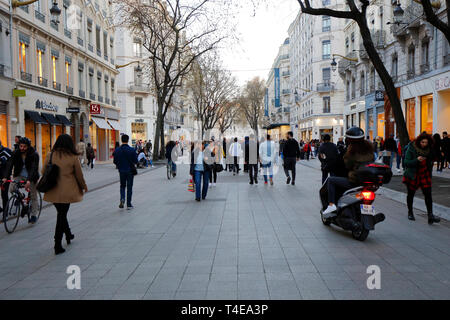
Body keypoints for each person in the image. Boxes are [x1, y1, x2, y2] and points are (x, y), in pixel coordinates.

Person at [41, 134, 88, 255]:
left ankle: (68, 234)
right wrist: (84, 186)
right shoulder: (73, 157)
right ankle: (57, 244)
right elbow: (79, 175)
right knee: (61, 215)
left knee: (61, 213)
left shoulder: (50, 155)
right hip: (68, 191)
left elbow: (43, 171)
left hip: (53, 190)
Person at [323, 127, 374, 216]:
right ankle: (367, 212)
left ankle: (331, 205)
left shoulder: (351, 151)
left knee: (331, 180)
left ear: (350, 140)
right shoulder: (369, 149)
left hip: (355, 181)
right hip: (367, 181)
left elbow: (347, 165)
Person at [403, 132, 440, 224]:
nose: (424, 144)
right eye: (422, 142)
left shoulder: (429, 149)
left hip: (424, 174)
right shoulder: (412, 148)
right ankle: (410, 212)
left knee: (428, 195)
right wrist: (416, 160)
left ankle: (430, 215)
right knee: (411, 194)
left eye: (426, 142)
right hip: (413, 174)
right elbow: (406, 162)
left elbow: (434, 158)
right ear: (419, 141)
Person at [3, 137, 40, 223]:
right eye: (21, 146)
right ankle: (21, 197)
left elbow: (34, 168)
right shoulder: (16, 152)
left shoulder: (34, 154)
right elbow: (10, 164)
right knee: (11, 188)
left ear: (28, 146)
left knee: (33, 195)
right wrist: (5, 177)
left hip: (31, 176)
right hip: (19, 175)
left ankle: (34, 215)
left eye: (24, 147)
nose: (22, 148)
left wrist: (29, 180)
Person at [113, 134, 138, 210]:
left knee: (122, 186)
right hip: (130, 171)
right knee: (129, 187)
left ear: (121, 140)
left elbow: (115, 161)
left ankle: (122, 199)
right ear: (128, 140)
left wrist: (120, 165)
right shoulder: (132, 150)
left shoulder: (117, 150)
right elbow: (136, 161)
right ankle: (129, 204)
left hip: (121, 171)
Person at [0, 140, 13, 213]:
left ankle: (5, 211)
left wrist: (5, 177)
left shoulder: (6, 152)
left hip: (5, 176)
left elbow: (9, 166)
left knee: (4, 194)